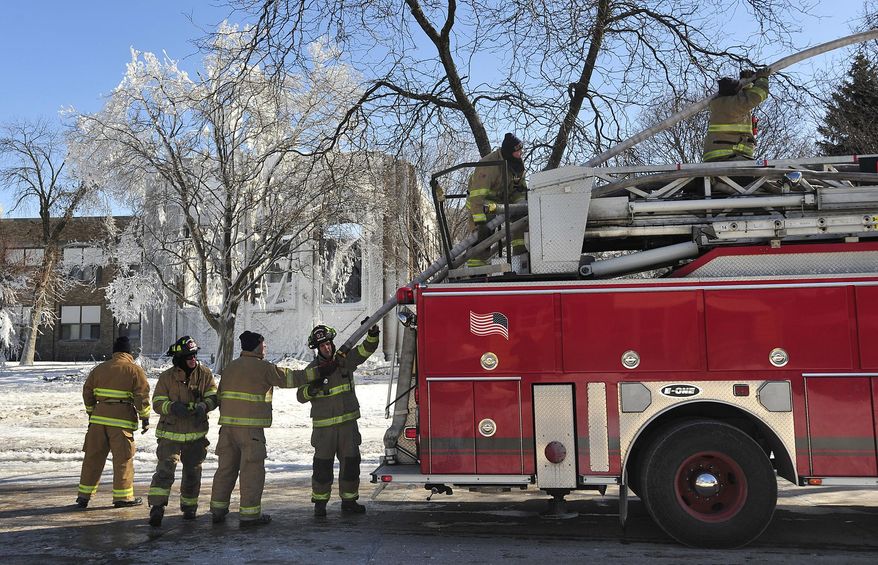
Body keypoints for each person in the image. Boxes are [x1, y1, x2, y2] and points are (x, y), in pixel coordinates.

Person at [209, 331, 324, 527]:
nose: (266, 347)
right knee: (251, 472)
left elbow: (219, 396)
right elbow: (291, 378)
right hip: (251, 432)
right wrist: (318, 372)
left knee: (225, 470)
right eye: (264, 344)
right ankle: (249, 516)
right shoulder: (263, 368)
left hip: (227, 430)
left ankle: (218, 510)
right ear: (257, 346)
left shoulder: (230, 368)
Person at [297, 321, 379, 517]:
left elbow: (365, 350)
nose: (327, 348)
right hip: (324, 431)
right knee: (322, 467)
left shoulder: (344, 361)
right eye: (322, 346)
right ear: (317, 349)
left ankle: (349, 501)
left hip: (347, 427)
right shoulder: (312, 370)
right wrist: (312, 389)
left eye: (329, 344)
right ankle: (320, 504)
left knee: (351, 464)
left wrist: (372, 335)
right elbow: (300, 396)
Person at [147, 336, 218, 527]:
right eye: (188, 357)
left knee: (193, 473)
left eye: (195, 355)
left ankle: (189, 508)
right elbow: (157, 403)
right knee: (165, 471)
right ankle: (157, 508)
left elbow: (213, 396)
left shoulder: (205, 374)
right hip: (170, 434)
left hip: (196, 435)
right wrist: (172, 407)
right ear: (178, 359)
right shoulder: (167, 377)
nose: (193, 360)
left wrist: (204, 406)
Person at [76, 336, 150, 509]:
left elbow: (87, 393)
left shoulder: (99, 369)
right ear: (129, 352)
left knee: (92, 458)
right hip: (121, 422)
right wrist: (144, 417)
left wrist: (91, 412)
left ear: (114, 352)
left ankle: (83, 497)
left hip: (97, 421)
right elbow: (141, 396)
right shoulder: (134, 370)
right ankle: (122, 498)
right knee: (123, 459)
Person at [466, 132, 529, 272]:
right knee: (484, 231)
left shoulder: (516, 164)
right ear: (509, 152)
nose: (521, 153)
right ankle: (476, 270)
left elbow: (521, 187)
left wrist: (522, 204)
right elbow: (477, 195)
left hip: (504, 200)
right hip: (482, 203)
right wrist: (480, 221)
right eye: (518, 151)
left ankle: (521, 255)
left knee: (523, 216)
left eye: (521, 150)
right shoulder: (488, 165)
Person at [703, 68, 770, 163]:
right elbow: (758, 95)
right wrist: (762, 78)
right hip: (731, 155)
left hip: (715, 155)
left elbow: (743, 97)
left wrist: (747, 81)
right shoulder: (736, 103)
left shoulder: (718, 103)